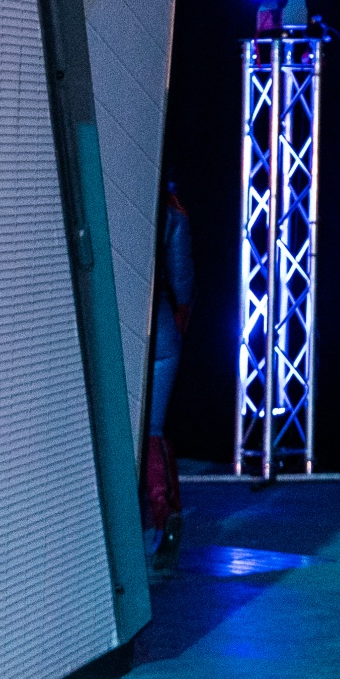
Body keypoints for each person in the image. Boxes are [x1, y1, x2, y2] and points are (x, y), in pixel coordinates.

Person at [140, 178, 193, 554]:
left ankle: (161, 518)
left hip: (130, 321)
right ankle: (166, 517)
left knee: (139, 429)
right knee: (153, 429)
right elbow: (182, 281)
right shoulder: (170, 208)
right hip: (159, 323)